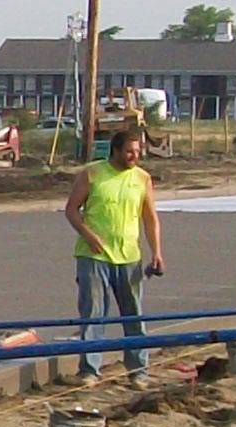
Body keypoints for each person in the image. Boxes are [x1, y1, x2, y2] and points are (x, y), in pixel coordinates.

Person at [64, 127, 165, 380]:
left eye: (137, 152)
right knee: (93, 314)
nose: (134, 156)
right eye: (129, 151)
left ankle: (138, 370)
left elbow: (150, 218)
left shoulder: (142, 178)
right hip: (94, 256)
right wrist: (88, 234)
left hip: (129, 257)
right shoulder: (93, 173)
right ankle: (89, 369)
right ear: (116, 150)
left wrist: (156, 252)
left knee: (134, 315)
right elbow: (72, 210)